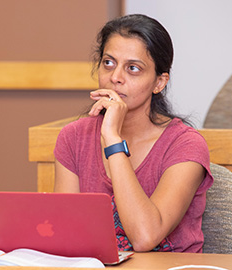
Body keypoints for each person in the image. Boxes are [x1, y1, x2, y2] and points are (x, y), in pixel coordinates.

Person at [53, 14, 213, 253]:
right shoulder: (73, 138)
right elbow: (66, 234)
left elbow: (144, 237)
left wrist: (112, 139)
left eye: (133, 68)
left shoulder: (186, 145)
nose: (115, 77)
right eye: (108, 63)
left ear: (159, 82)